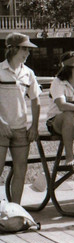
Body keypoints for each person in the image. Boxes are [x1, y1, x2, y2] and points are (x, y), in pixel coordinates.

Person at [0, 33, 41, 204]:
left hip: (21, 130)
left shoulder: (28, 74)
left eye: (28, 50)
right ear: (13, 49)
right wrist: (1, 123)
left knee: (20, 171)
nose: (28, 53)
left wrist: (34, 127)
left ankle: (15, 209)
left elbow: (36, 100)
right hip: (1, 129)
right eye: (24, 49)